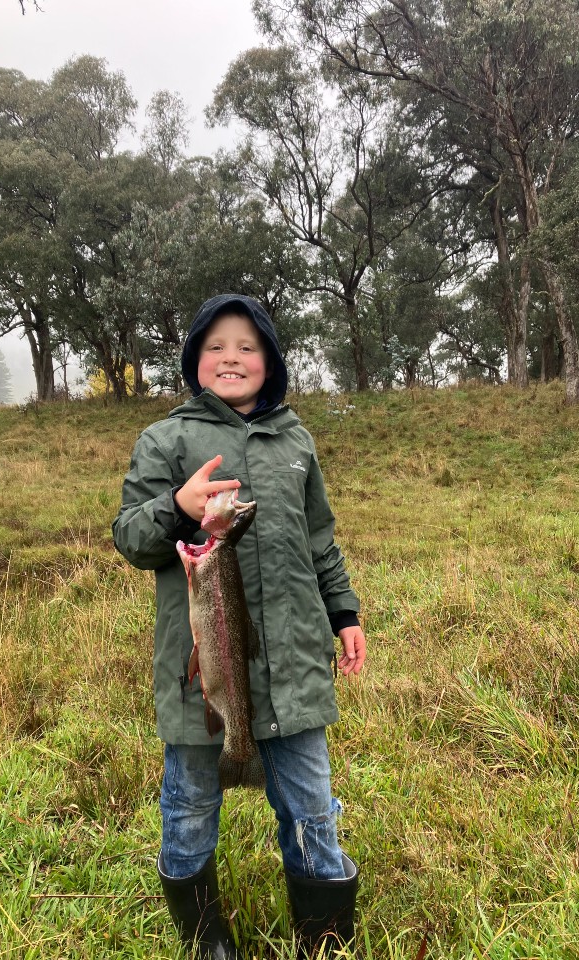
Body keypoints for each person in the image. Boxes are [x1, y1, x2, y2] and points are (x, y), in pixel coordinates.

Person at [113, 294, 369, 960]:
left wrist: (344, 614)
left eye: (249, 347)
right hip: (200, 672)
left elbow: (320, 541)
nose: (232, 357)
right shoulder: (165, 440)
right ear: (194, 359)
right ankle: (204, 939)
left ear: (273, 361)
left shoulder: (296, 440)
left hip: (295, 667)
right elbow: (131, 538)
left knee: (312, 804)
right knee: (190, 804)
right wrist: (177, 506)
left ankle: (324, 935)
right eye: (217, 346)